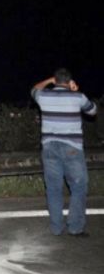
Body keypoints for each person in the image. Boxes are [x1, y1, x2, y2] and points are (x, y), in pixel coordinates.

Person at [32, 68, 97, 236]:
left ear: (56, 80)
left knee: (53, 188)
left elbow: (34, 89)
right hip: (72, 149)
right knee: (79, 187)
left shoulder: (44, 96)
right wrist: (76, 90)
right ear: (70, 82)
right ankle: (75, 227)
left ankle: (56, 228)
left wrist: (49, 80)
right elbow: (93, 111)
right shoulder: (78, 97)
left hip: (49, 148)